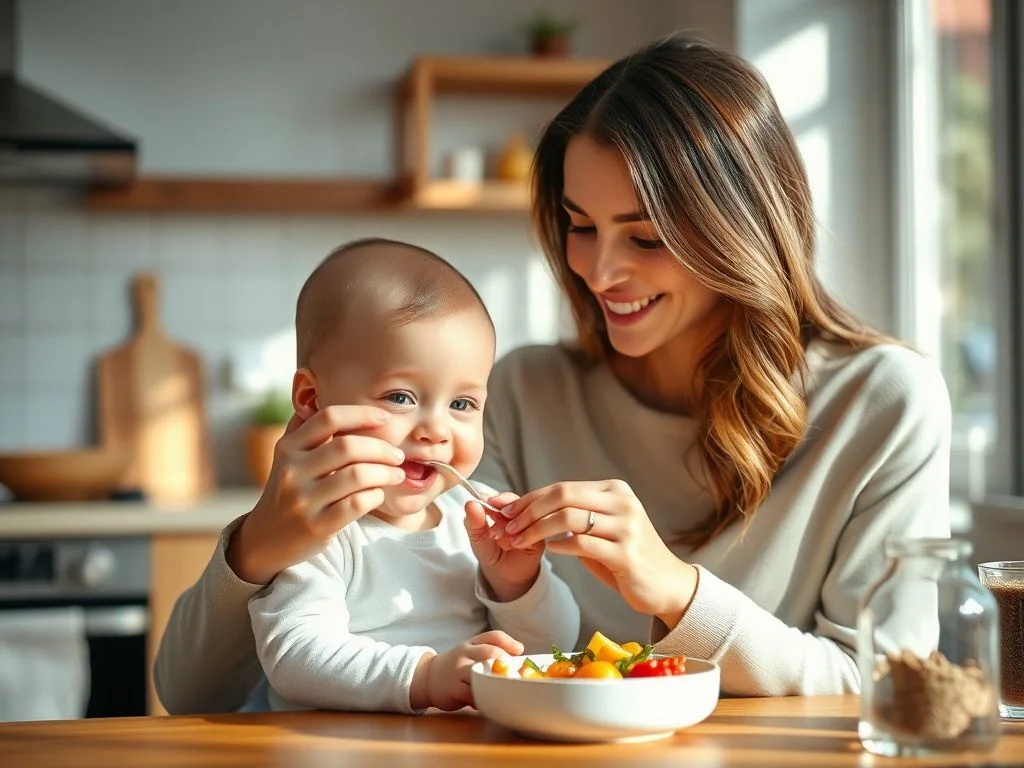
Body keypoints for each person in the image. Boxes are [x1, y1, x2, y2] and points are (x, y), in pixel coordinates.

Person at [154, 35, 950, 713]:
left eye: (644, 237)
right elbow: (193, 697)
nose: (600, 271)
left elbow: (887, 690)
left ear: (737, 231)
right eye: (579, 226)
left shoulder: (884, 405)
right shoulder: (516, 398)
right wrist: (262, 542)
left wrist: (677, 591)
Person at [221, 237, 578, 714]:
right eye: (401, 397)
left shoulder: (473, 519)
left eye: (462, 404)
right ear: (311, 400)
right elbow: (294, 654)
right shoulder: (317, 526)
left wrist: (517, 585)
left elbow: (554, 644)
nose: (435, 430)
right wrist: (424, 677)